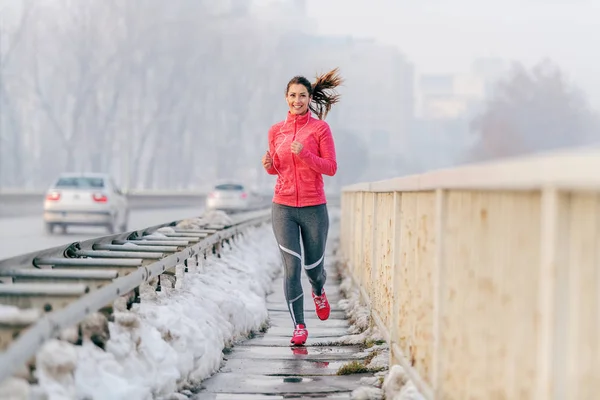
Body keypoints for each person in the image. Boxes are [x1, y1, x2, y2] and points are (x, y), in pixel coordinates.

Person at [261, 68, 342, 346]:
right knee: (291, 268)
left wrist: (305, 154)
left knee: (312, 269)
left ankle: (318, 290)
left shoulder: (320, 129)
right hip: (282, 207)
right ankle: (298, 326)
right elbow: (278, 168)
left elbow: (330, 167)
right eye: (293, 95)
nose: (297, 100)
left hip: (313, 207)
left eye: (302, 96)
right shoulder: (276, 131)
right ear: (286, 98)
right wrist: (270, 166)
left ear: (309, 99)